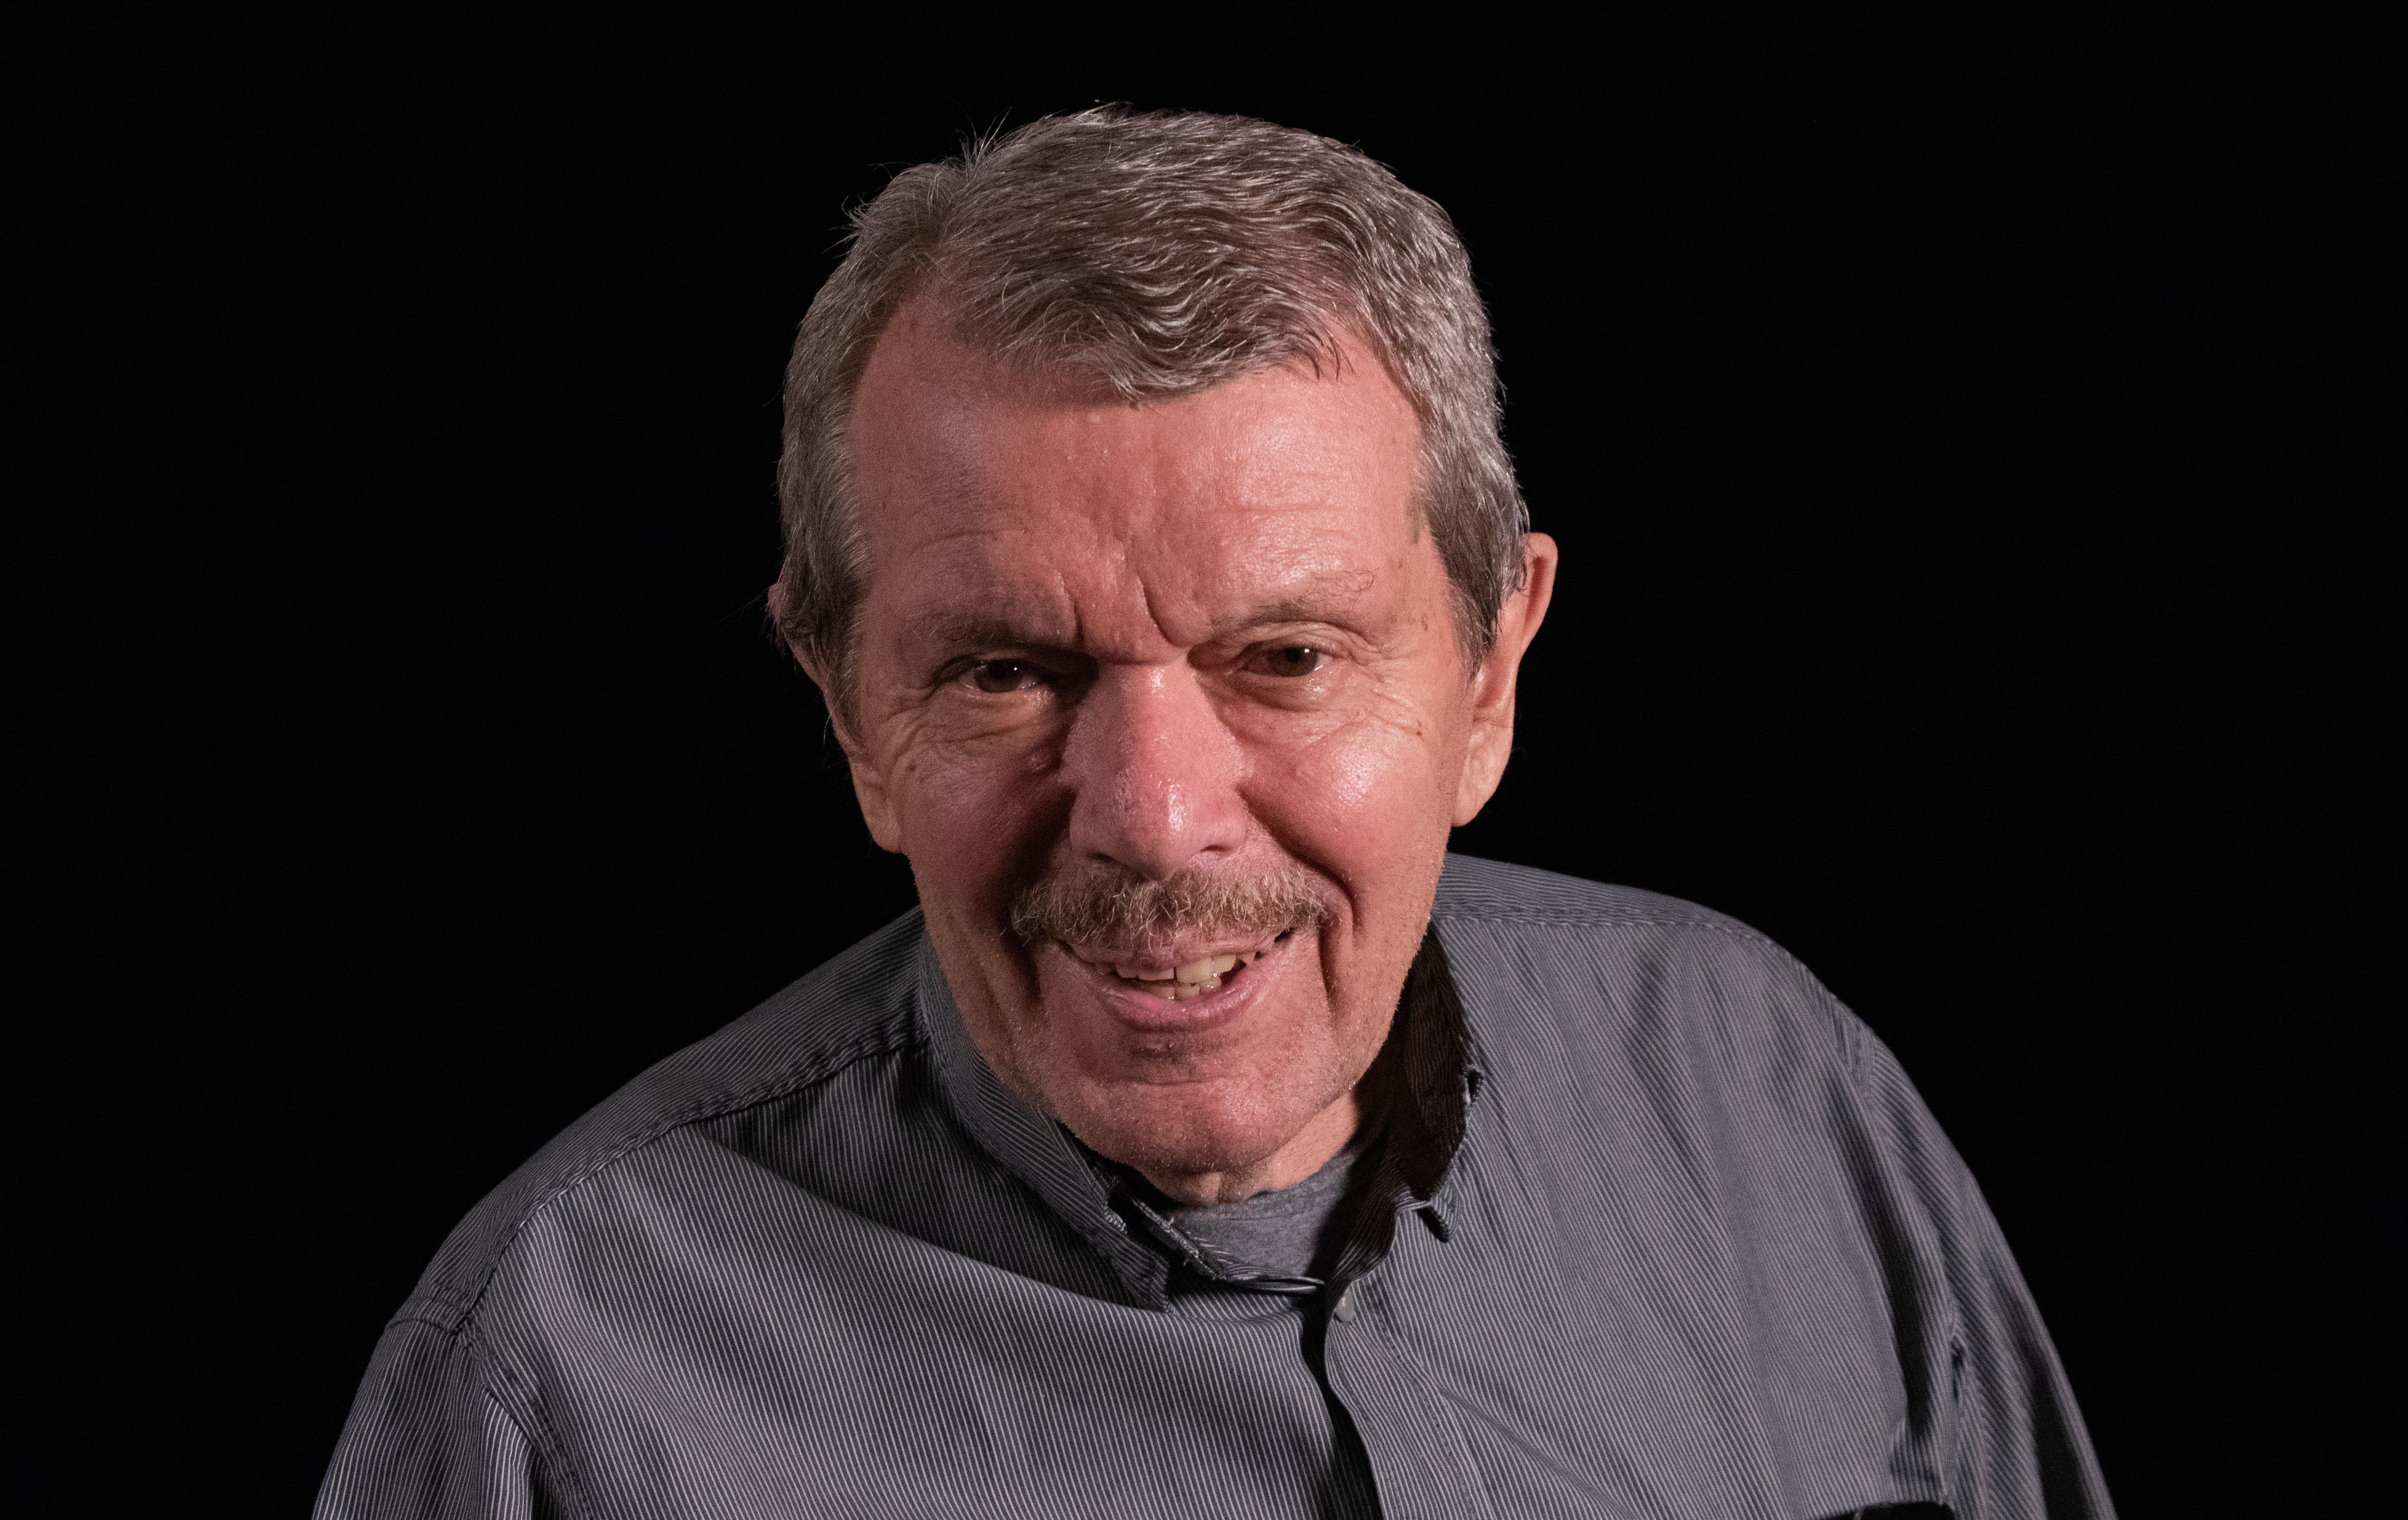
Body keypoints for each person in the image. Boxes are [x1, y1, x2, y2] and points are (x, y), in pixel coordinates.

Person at [318, 109, 2113, 1519]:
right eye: (1005, 673)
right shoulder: (559, 1374)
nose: (1156, 820)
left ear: (1490, 674)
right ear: (850, 710)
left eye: (1285, 658)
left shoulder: (1765, 1085)